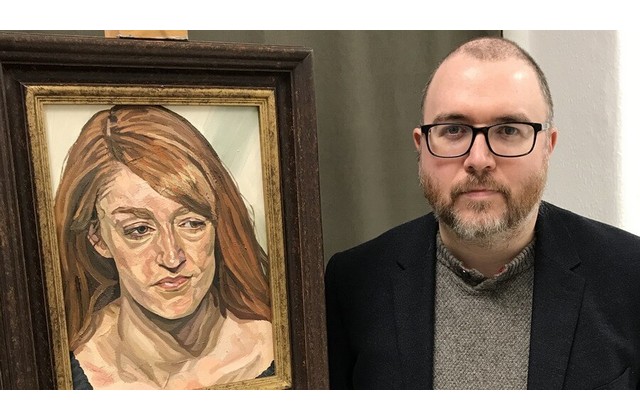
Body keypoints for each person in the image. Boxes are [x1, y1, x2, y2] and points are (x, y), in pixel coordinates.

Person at [324, 36, 640, 390]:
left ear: (547, 147)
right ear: (421, 147)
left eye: (508, 130)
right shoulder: (353, 284)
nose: (478, 159)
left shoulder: (630, 275)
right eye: (453, 130)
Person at [54, 105, 274, 389]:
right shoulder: (63, 366)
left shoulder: (277, 349)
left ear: (219, 223)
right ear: (97, 238)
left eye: (192, 223)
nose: (171, 257)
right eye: (139, 230)